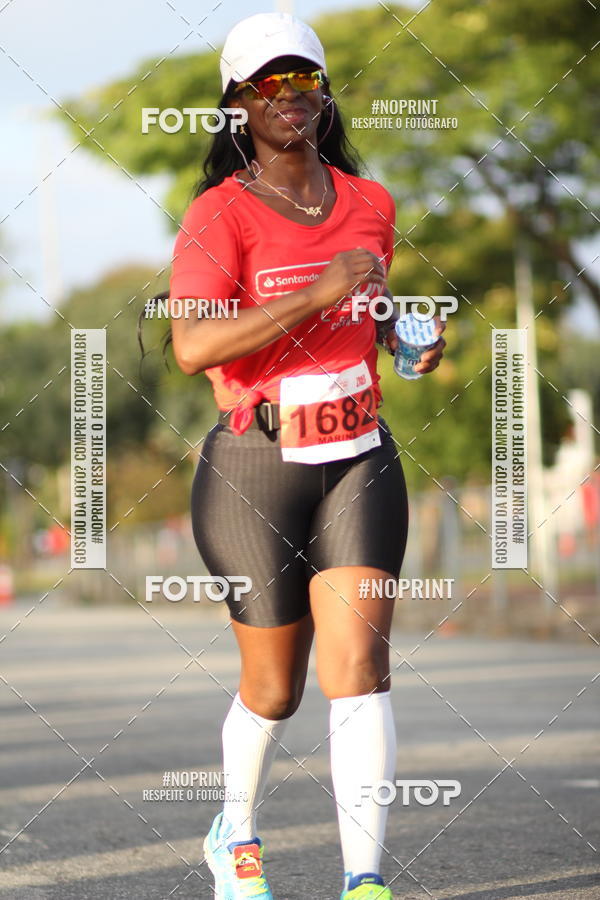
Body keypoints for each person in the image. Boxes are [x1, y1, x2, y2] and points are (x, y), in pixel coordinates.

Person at [168, 12, 446, 900]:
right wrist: (316, 291)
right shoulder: (219, 215)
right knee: (275, 689)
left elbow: (369, 320)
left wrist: (410, 342)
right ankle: (235, 836)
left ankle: (364, 878)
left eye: (305, 83)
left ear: (325, 95)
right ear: (237, 104)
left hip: (361, 456)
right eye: (268, 86)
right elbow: (191, 348)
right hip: (256, 469)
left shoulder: (371, 203)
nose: (290, 99)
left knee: (359, 669)